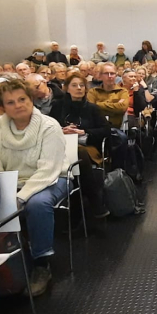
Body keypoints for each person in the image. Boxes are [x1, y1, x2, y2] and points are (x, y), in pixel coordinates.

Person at [0, 79, 68, 296]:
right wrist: (4, 191)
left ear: (31, 99)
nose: (18, 105)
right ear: (3, 106)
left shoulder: (49, 126)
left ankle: (42, 264)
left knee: (37, 204)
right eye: (10, 102)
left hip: (51, 179)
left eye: (22, 99)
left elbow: (48, 170)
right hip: (11, 181)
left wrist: (20, 197)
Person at [48, 73, 112, 220]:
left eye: (82, 85)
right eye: (74, 85)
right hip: (61, 145)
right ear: (66, 89)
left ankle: (82, 207)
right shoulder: (57, 106)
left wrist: (85, 131)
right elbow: (49, 127)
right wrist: (62, 130)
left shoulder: (92, 108)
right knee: (77, 154)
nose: (79, 88)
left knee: (80, 152)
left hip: (86, 145)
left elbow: (106, 129)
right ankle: (93, 203)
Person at [87, 63, 130, 129]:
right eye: (106, 73)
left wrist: (97, 104)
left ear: (116, 75)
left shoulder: (122, 91)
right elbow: (91, 109)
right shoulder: (93, 92)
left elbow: (122, 108)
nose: (110, 76)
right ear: (100, 76)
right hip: (97, 128)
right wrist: (115, 107)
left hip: (115, 128)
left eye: (112, 73)